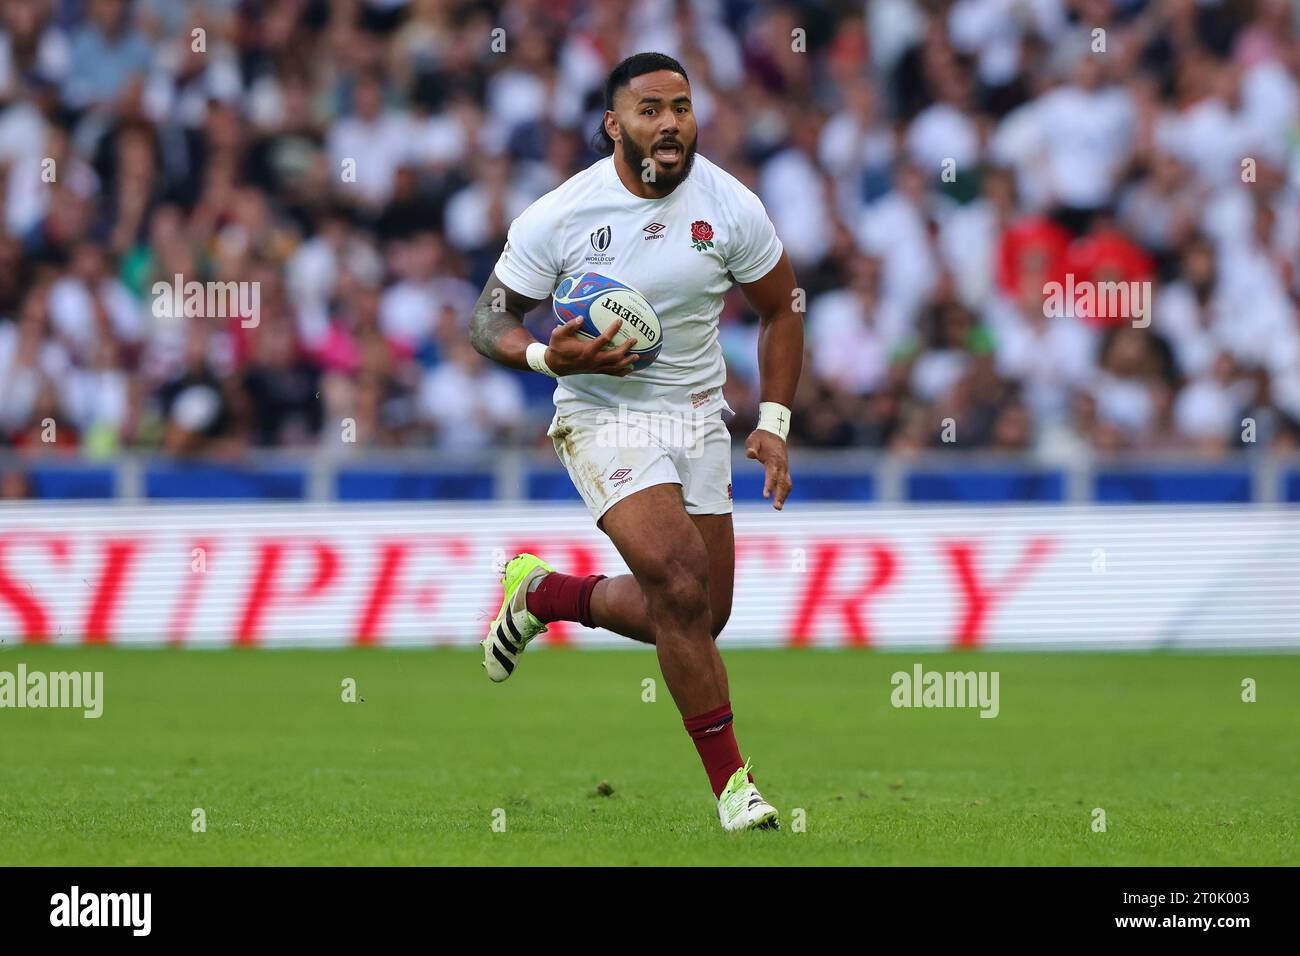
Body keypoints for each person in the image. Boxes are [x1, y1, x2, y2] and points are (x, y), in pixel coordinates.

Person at [467, 53, 803, 831]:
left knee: (700, 614)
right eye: (650, 109)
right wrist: (551, 355)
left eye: (681, 106)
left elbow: (783, 308)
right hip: (600, 413)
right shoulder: (561, 214)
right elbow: (488, 321)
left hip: (695, 417)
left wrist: (775, 422)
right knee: (678, 581)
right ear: (614, 124)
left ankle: (545, 594)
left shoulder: (730, 206)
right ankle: (735, 788)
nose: (670, 123)